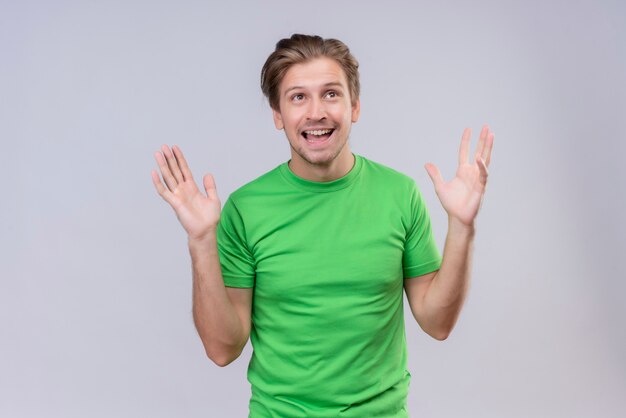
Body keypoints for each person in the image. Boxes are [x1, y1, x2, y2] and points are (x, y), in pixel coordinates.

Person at [151, 34, 494, 417]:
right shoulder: (246, 209)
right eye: (298, 97)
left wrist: (462, 227)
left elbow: (438, 322)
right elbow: (222, 349)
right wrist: (201, 240)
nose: (317, 112)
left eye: (331, 94)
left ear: (355, 106)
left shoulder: (400, 194)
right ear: (278, 115)